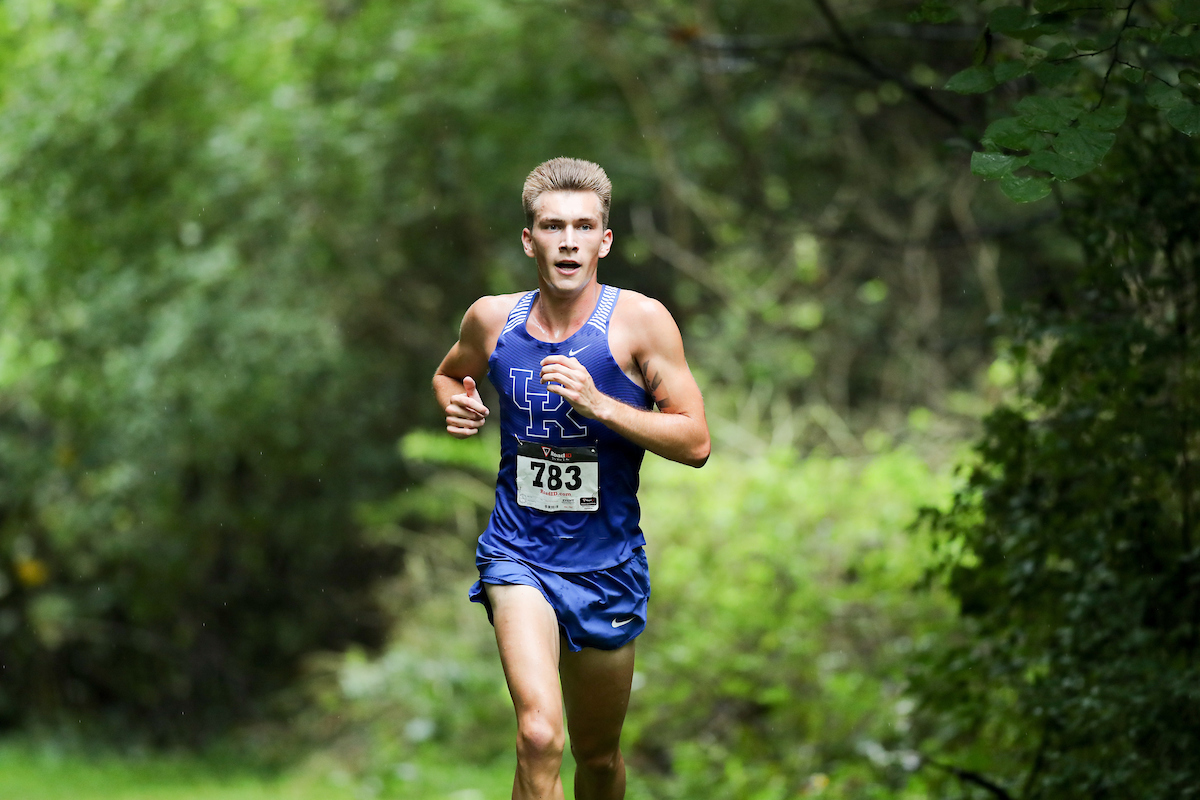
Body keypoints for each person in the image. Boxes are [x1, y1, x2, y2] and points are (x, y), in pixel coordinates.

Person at [432, 157, 710, 800]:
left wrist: (601, 404)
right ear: (529, 239)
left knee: (599, 758)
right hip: (517, 553)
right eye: (552, 226)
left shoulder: (641, 322)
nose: (568, 241)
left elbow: (695, 441)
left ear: (604, 240)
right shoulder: (492, 319)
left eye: (584, 226)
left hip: (607, 564)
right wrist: (457, 400)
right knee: (537, 736)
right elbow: (450, 373)